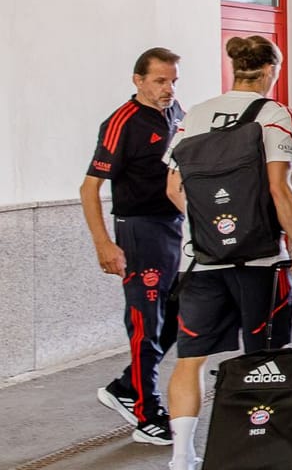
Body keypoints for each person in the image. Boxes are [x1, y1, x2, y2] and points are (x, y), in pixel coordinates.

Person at [162, 36, 292, 470]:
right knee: (263, 358)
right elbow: (277, 188)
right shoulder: (273, 114)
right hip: (260, 262)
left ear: (235, 68)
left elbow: (174, 187)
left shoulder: (195, 114)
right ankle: (260, 450)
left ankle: (181, 456)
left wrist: (212, 227)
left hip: (203, 261)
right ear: (270, 71)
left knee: (189, 360)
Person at [80, 47, 185, 446]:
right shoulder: (121, 123)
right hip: (139, 230)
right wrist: (104, 243)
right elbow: (89, 188)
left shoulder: (176, 113)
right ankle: (146, 413)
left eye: (173, 80)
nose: (168, 88)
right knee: (146, 322)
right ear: (138, 80)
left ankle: (127, 386)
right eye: (160, 80)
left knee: (175, 316)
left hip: (173, 227)